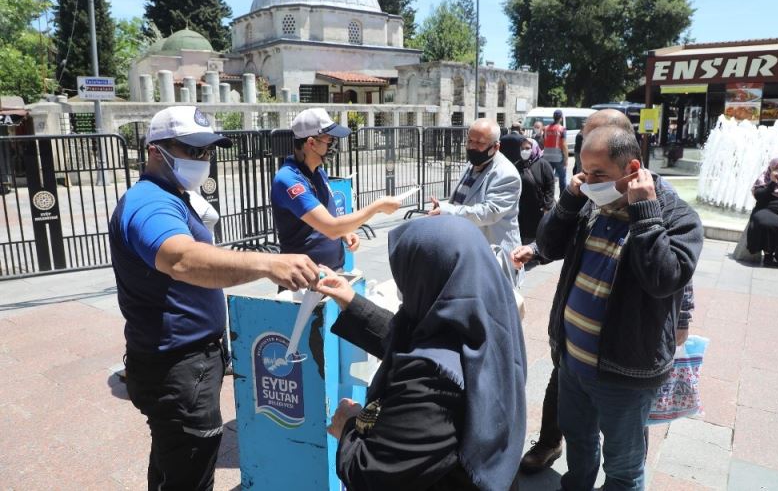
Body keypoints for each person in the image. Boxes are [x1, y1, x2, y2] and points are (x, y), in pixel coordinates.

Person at [109, 106, 320, 490]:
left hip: (187, 360)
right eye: (193, 150)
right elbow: (181, 259)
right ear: (156, 150)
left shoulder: (174, 194)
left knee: (170, 464)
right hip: (177, 365)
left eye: (207, 152)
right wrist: (267, 265)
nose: (203, 160)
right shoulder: (149, 202)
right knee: (191, 472)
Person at [517, 123, 703, 490]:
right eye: (585, 172)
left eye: (599, 174)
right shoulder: (592, 204)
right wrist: (571, 198)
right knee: (580, 445)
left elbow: (663, 278)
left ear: (633, 170)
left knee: (623, 466)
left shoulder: (677, 218)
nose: (589, 181)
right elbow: (549, 245)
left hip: (626, 374)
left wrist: (645, 212)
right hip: (572, 363)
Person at [316, 216, 527, 491]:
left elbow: (371, 474)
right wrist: (351, 301)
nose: (403, 289)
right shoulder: (488, 327)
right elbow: (406, 337)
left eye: (407, 275)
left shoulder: (434, 382)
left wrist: (348, 425)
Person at [271, 108, 401, 271]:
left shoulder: (318, 173)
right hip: (302, 281)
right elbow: (331, 228)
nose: (334, 146)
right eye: (329, 140)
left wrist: (344, 234)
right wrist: (377, 206)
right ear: (311, 143)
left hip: (331, 272)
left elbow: (328, 219)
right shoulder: (289, 180)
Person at [429, 118, 522, 284]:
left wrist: (448, 210)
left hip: (493, 257)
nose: (472, 146)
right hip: (469, 251)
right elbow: (462, 201)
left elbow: (489, 212)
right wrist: (444, 208)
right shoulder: (471, 164)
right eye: (470, 140)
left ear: (496, 146)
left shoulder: (506, 174)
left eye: (479, 143)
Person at [499, 132, 554, 245]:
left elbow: (550, 185)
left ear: (534, 148)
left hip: (538, 207)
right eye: (522, 148)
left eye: (528, 148)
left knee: (537, 231)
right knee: (522, 230)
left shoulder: (543, 164)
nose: (524, 151)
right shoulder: (518, 164)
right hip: (522, 207)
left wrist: (547, 205)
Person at [542, 110, 569, 193]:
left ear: (553, 117)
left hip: (547, 158)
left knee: (547, 178)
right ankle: (562, 198)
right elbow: (564, 145)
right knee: (562, 178)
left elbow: (543, 141)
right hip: (558, 158)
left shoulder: (546, 128)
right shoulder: (562, 129)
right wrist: (566, 159)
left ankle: (548, 196)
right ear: (561, 118)